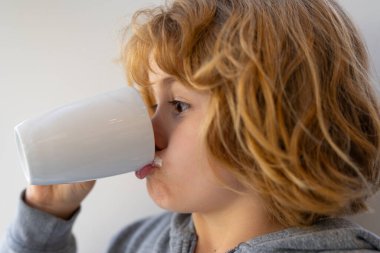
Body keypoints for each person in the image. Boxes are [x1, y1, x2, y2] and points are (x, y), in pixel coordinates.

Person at [2, 0, 380, 252]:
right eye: (150, 104)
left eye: (178, 105)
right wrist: (46, 218)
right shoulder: (138, 242)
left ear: (276, 119)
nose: (150, 134)